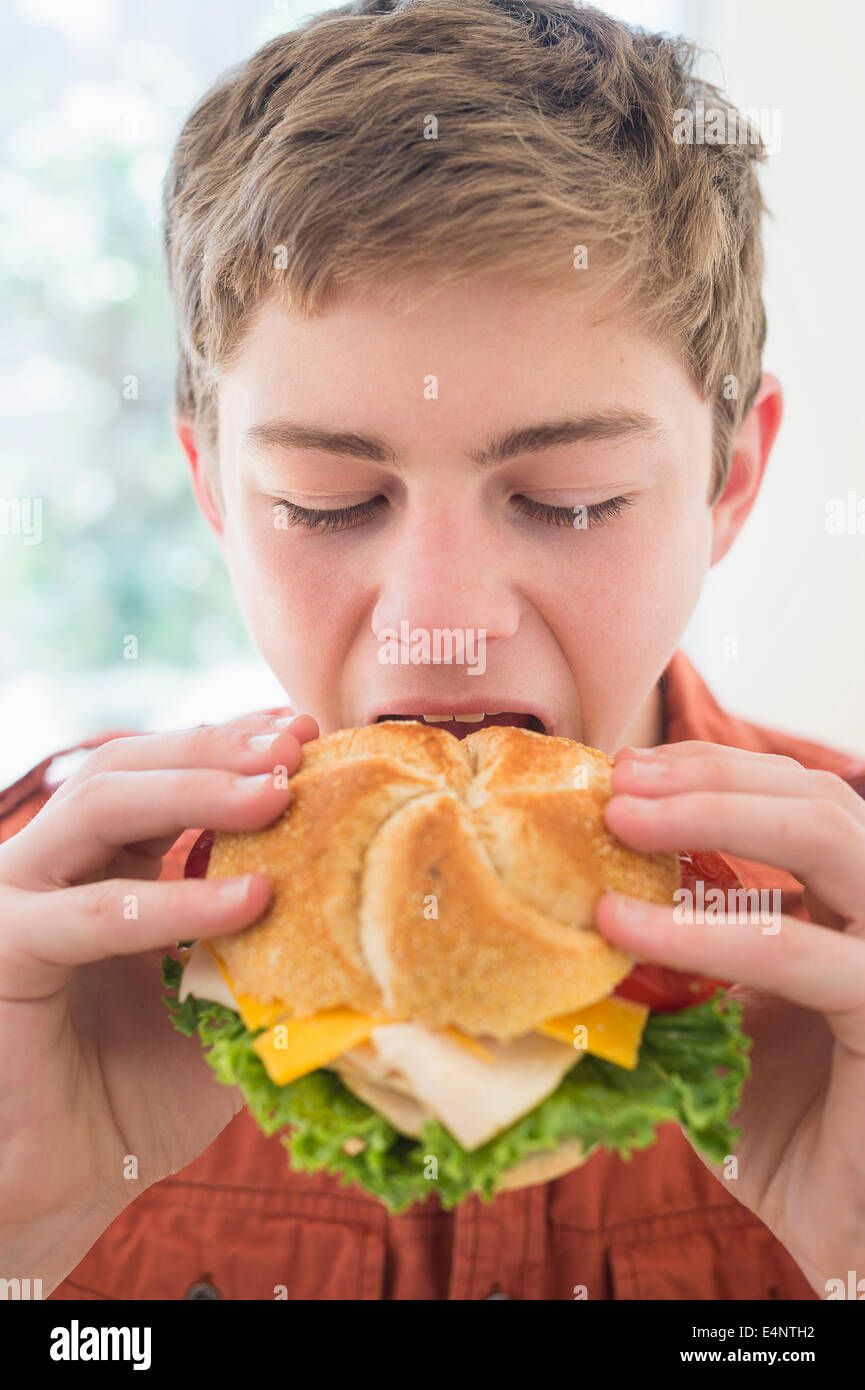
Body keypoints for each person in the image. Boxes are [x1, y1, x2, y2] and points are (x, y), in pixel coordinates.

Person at [2, 0, 864, 1301]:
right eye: (327, 501)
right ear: (215, 491)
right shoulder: (38, 935)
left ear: (728, 480)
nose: (437, 616)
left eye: (569, 496)